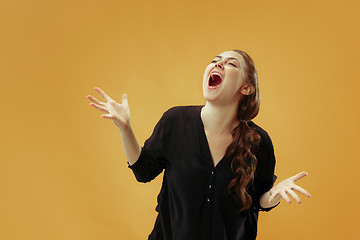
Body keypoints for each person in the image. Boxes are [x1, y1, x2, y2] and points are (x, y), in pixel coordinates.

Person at [86, 49, 311, 240]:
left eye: (231, 63)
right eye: (215, 61)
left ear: (246, 88)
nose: (219, 64)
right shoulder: (175, 121)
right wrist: (124, 128)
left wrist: (275, 195)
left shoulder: (259, 142)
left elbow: (258, 201)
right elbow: (143, 171)